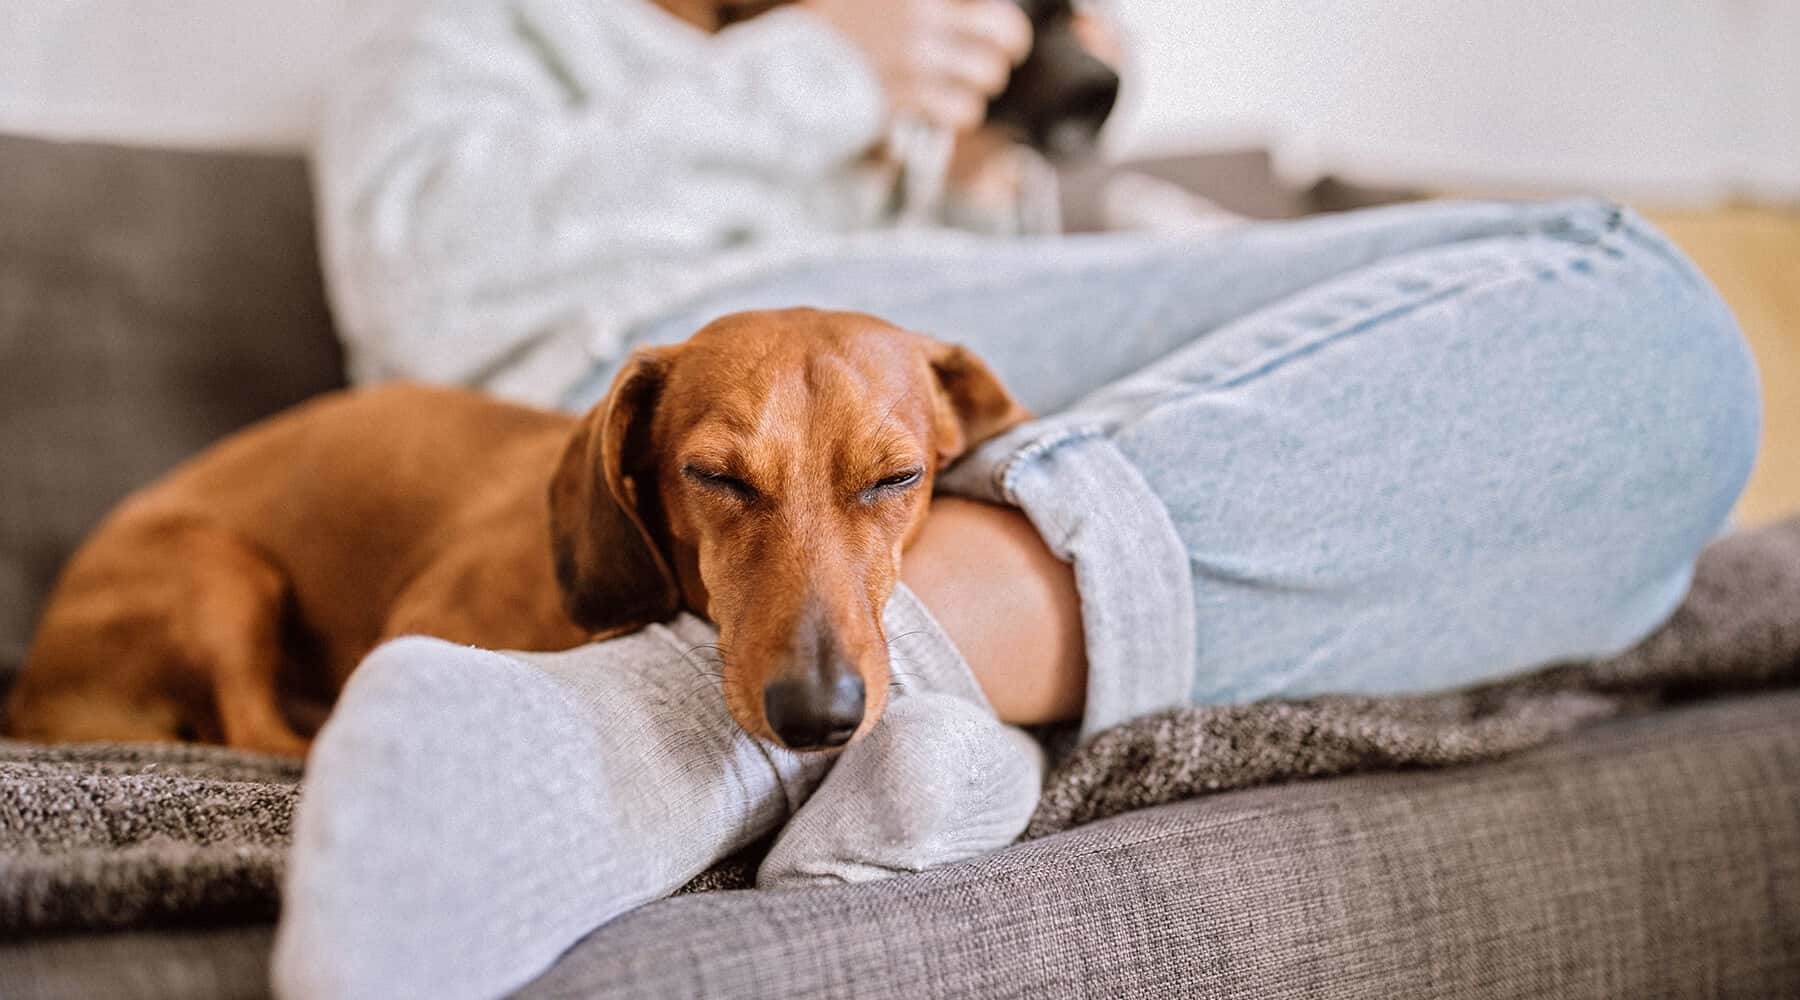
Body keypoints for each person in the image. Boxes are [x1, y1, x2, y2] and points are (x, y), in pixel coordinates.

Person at [275, 1, 1762, 996]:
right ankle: (690, 726)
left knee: (1655, 352)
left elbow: (1020, 393)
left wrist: (993, 159)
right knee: (1626, 290)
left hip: (941, 396)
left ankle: (868, 692)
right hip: (680, 349)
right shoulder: (488, 31)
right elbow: (434, 295)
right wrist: (826, 69)